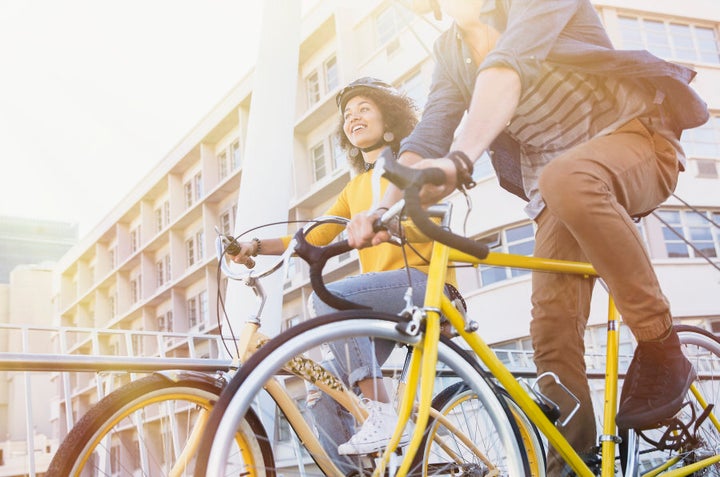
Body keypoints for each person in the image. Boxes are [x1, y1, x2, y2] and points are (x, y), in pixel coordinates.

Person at [346, 1, 709, 475]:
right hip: (556, 188)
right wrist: (382, 206)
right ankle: (572, 464)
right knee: (551, 331)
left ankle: (661, 347)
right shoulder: (450, 50)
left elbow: (506, 67)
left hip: (637, 141)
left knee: (567, 177)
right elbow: (431, 131)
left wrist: (460, 161)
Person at [226, 77, 458, 469]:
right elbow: (312, 236)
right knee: (322, 393)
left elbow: (433, 221)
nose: (354, 117)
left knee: (329, 295)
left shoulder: (408, 166)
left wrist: (393, 223)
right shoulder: (355, 188)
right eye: (348, 115)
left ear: (389, 123)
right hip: (385, 308)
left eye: (364, 108)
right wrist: (253, 247)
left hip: (426, 288)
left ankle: (381, 414)